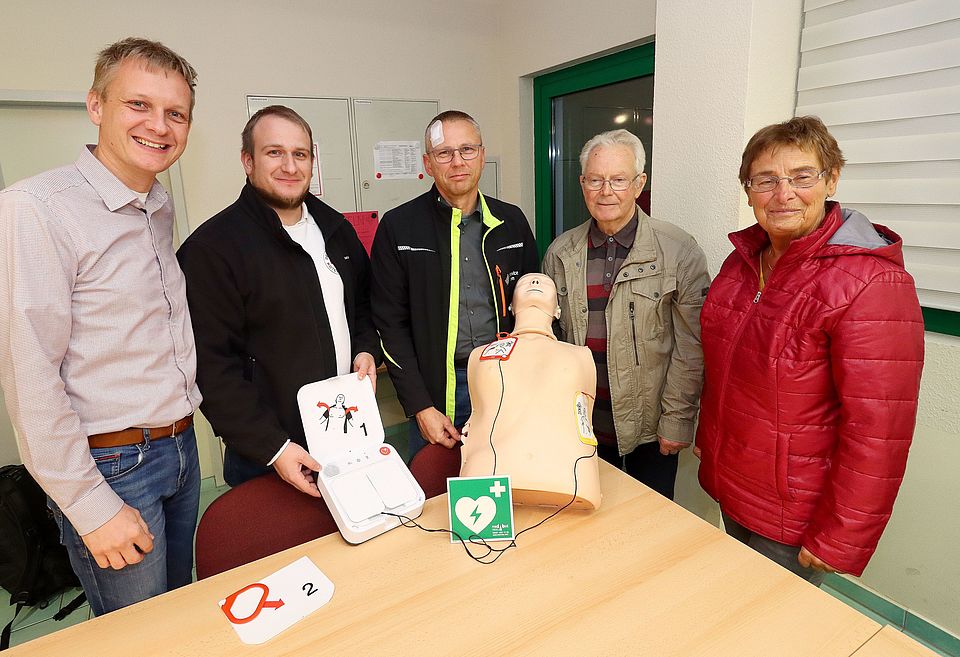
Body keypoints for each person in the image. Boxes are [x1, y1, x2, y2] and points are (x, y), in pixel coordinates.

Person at [0, 38, 201, 615]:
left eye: (176, 113)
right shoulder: (37, 208)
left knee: (177, 612)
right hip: (112, 468)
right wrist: (90, 507)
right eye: (138, 104)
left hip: (180, 448)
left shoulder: (157, 204)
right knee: (138, 634)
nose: (159, 126)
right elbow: (29, 373)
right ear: (96, 105)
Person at [695, 116, 924, 584]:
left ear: (831, 180)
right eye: (766, 180)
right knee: (732, 605)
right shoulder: (741, 264)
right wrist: (710, 443)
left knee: (769, 621)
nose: (783, 194)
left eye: (801, 177)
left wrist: (840, 535)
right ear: (748, 191)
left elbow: (878, 429)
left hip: (795, 515)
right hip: (735, 486)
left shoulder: (871, 283)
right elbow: (726, 373)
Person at [178, 105, 379, 495]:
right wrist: (274, 447)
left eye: (300, 154)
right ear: (247, 161)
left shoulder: (336, 230)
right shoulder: (212, 250)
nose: (290, 166)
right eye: (274, 152)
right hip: (268, 454)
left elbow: (363, 308)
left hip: (346, 429)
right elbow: (211, 368)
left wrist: (366, 348)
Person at [542, 129, 710, 501]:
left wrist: (677, 420)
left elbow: (692, 346)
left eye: (618, 180)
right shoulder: (560, 253)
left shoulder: (678, 251)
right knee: (585, 519)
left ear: (639, 184)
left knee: (647, 526)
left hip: (650, 432)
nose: (606, 191)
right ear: (582, 184)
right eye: (595, 180)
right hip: (582, 428)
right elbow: (551, 344)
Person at [371, 110, 539, 461]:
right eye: (444, 153)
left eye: (467, 149)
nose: (458, 161)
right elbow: (390, 324)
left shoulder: (512, 222)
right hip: (437, 393)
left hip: (505, 384)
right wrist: (420, 406)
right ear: (428, 164)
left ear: (482, 154)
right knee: (436, 484)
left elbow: (532, 308)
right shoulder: (399, 227)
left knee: (506, 479)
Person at [460, 273, 601, 509]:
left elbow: (585, 421)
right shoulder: (479, 355)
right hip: (487, 478)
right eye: (524, 281)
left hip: (569, 478)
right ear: (511, 307)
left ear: (558, 310)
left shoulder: (581, 356)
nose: (535, 282)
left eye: (545, 282)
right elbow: (477, 417)